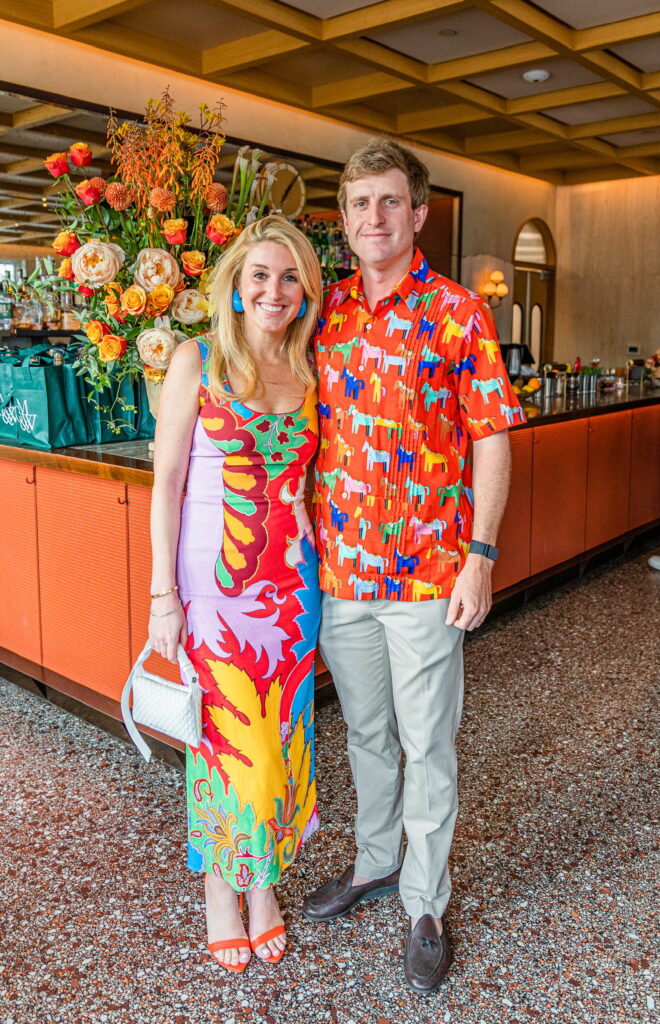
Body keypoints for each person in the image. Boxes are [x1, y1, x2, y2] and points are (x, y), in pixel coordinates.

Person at [303, 139, 523, 993]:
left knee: (427, 742)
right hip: (340, 574)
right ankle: (372, 865)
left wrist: (481, 557)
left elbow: (491, 438)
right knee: (363, 735)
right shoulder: (326, 314)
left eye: (387, 202)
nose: (371, 218)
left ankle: (424, 901)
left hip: (430, 572)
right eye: (358, 204)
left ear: (417, 214)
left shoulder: (460, 313)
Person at [149, 214, 322, 973]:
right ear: (235, 285)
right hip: (213, 586)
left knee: (283, 741)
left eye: (289, 277)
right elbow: (167, 484)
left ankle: (264, 886)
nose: (274, 290)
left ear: (306, 290)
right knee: (229, 745)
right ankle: (225, 888)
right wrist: (163, 595)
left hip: (293, 587)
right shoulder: (197, 360)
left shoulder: (309, 365)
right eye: (259, 275)